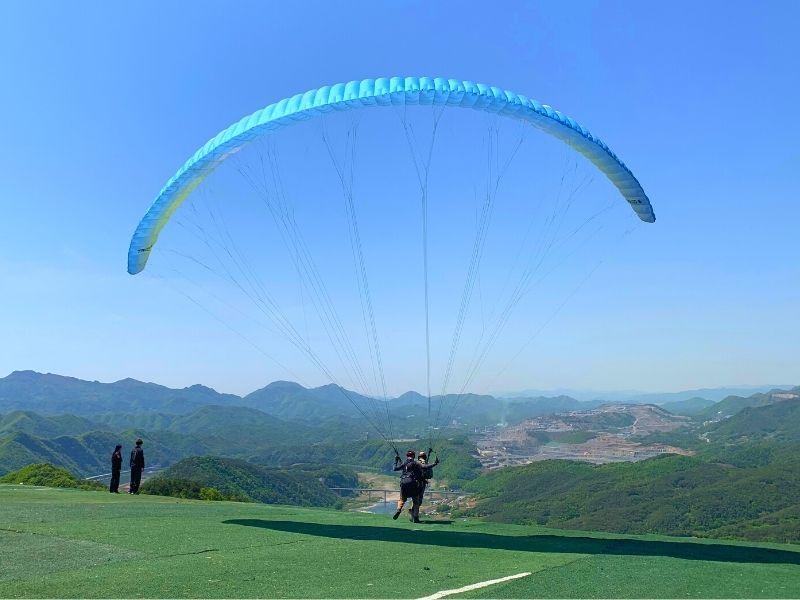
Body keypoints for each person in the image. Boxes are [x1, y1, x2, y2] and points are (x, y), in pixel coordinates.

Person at [392, 450, 424, 522]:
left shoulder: (404, 463)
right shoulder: (416, 463)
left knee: (402, 499)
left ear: (407, 456)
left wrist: (396, 460)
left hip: (403, 483)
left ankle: (399, 509)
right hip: (413, 484)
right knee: (416, 501)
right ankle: (415, 517)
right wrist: (435, 463)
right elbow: (424, 467)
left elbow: (395, 468)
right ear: (414, 456)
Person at [414, 450, 439, 521]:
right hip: (421, 483)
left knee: (415, 499)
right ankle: (415, 515)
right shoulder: (424, 463)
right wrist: (434, 463)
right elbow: (425, 467)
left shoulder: (415, 462)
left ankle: (414, 513)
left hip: (414, 483)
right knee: (419, 499)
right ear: (424, 457)